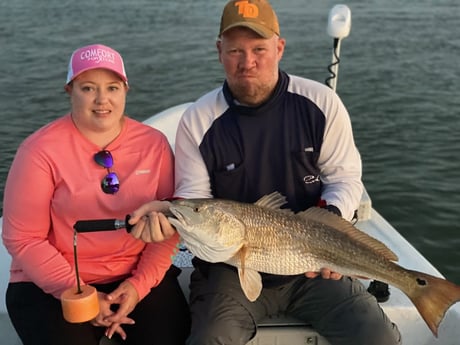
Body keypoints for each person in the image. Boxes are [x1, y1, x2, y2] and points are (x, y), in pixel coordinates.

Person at [129, 1, 402, 344]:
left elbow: (345, 179)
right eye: (235, 51)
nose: (248, 62)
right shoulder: (198, 120)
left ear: (280, 47)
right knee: (211, 338)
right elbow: (194, 198)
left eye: (259, 48)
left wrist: (328, 227)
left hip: (314, 266)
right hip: (229, 269)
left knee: (378, 337)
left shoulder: (321, 103)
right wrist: (169, 216)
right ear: (219, 52)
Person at [2, 43, 190, 345]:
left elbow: (168, 224)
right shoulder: (39, 151)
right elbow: (22, 237)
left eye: (113, 88)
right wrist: (79, 295)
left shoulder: (153, 145)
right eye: (88, 88)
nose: (103, 100)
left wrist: (138, 286)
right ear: (70, 90)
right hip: (52, 282)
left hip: (132, 275)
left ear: (126, 90)